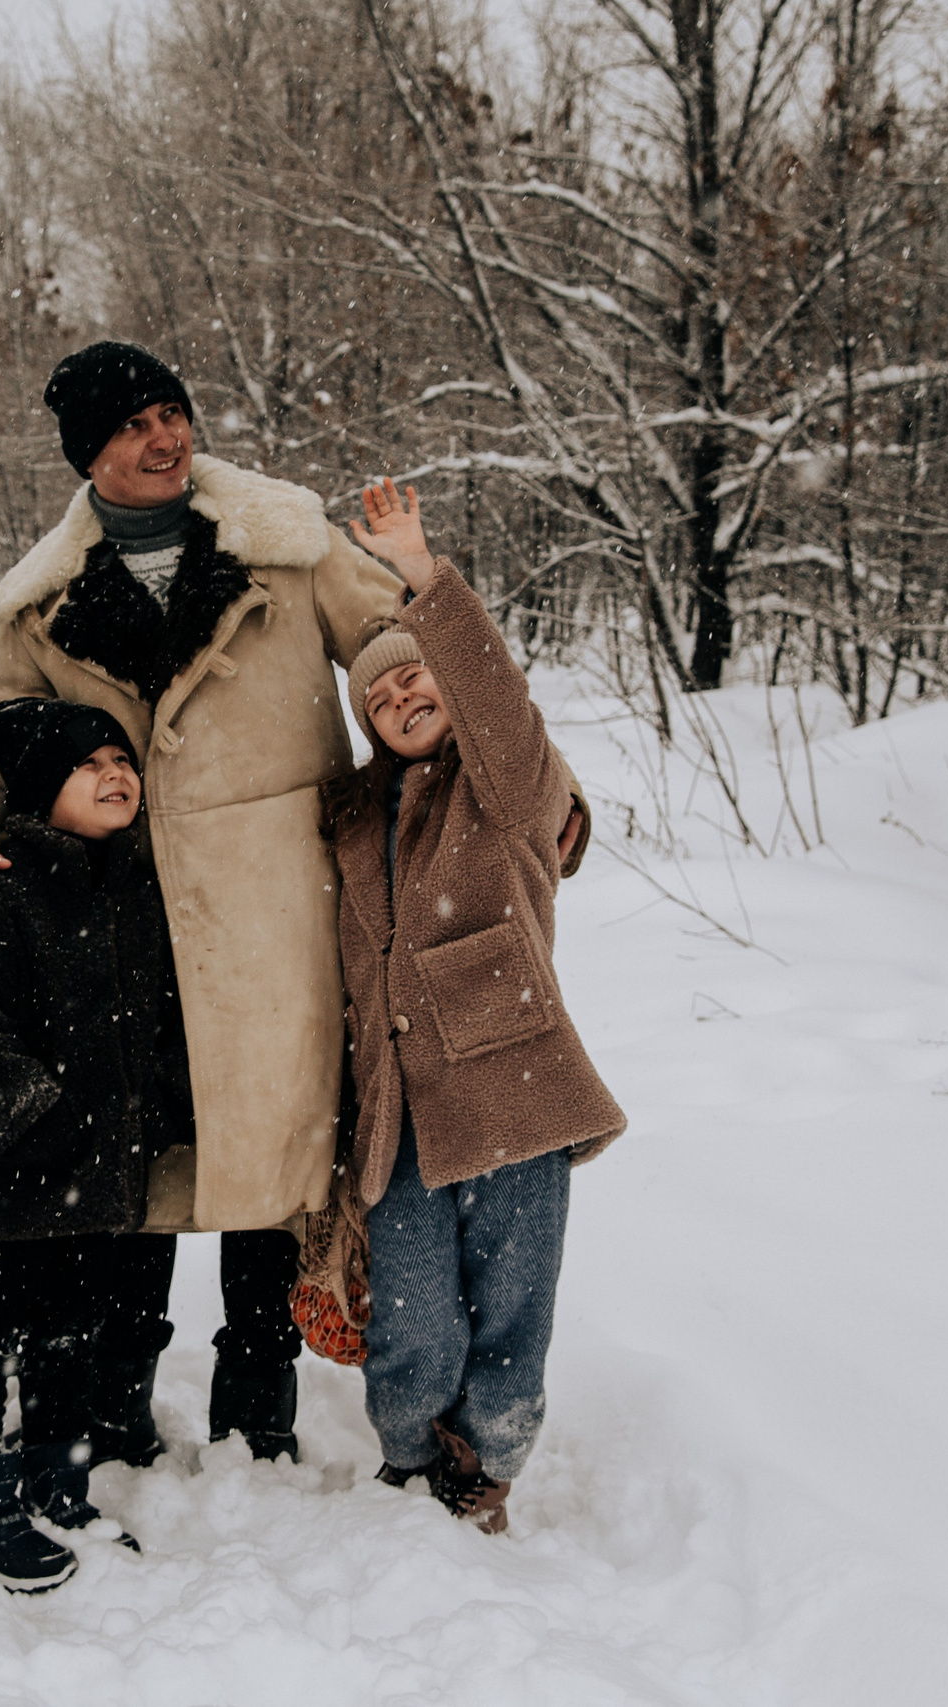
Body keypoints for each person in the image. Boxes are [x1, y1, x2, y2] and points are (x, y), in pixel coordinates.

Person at [0, 341, 589, 1466]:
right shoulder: (39, 607)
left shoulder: (286, 541)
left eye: (171, 412)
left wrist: (539, 789)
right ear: (88, 455)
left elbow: (412, 656)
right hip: (127, 926)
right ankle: (118, 1397)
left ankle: (258, 1393)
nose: (164, 438)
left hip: (286, 909)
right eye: (132, 425)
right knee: (145, 1147)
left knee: (280, 1149)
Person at [327, 479, 627, 1532]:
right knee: (412, 1315)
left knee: (511, 1304)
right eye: (378, 696)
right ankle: (410, 1454)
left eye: (417, 675)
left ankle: (488, 1465)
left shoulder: (503, 786)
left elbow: (497, 701)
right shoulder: (355, 818)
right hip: (400, 1109)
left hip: (512, 1087)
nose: (401, 697)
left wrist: (422, 574)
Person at [0, 698, 183, 1592]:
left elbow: (155, 1025)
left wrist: (158, 1110)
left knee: (70, 1336)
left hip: (88, 1182)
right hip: (0, 1178)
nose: (116, 774)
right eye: (88, 764)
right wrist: (28, 1111)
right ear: (38, 789)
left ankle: (58, 1484)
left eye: (122, 759)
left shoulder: (134, 888)